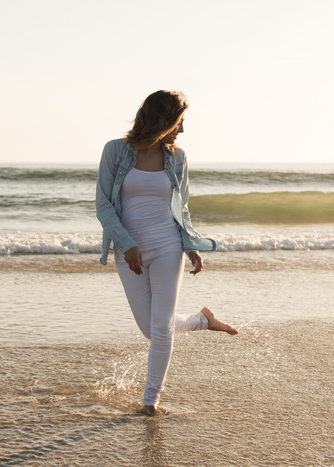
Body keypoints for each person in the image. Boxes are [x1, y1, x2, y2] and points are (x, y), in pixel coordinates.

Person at [95, 90, 238, 417]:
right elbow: (103, 205)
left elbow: (181, 208)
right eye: (179, 122)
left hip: (167, 246)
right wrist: (127, 242)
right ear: (162, 120)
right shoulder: (115, 151)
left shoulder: (178, 157)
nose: (182, 130)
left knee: (160, 328)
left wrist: (190, 246)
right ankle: (204, 321)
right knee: (151, 328)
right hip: (128, 249)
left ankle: (151, 403)